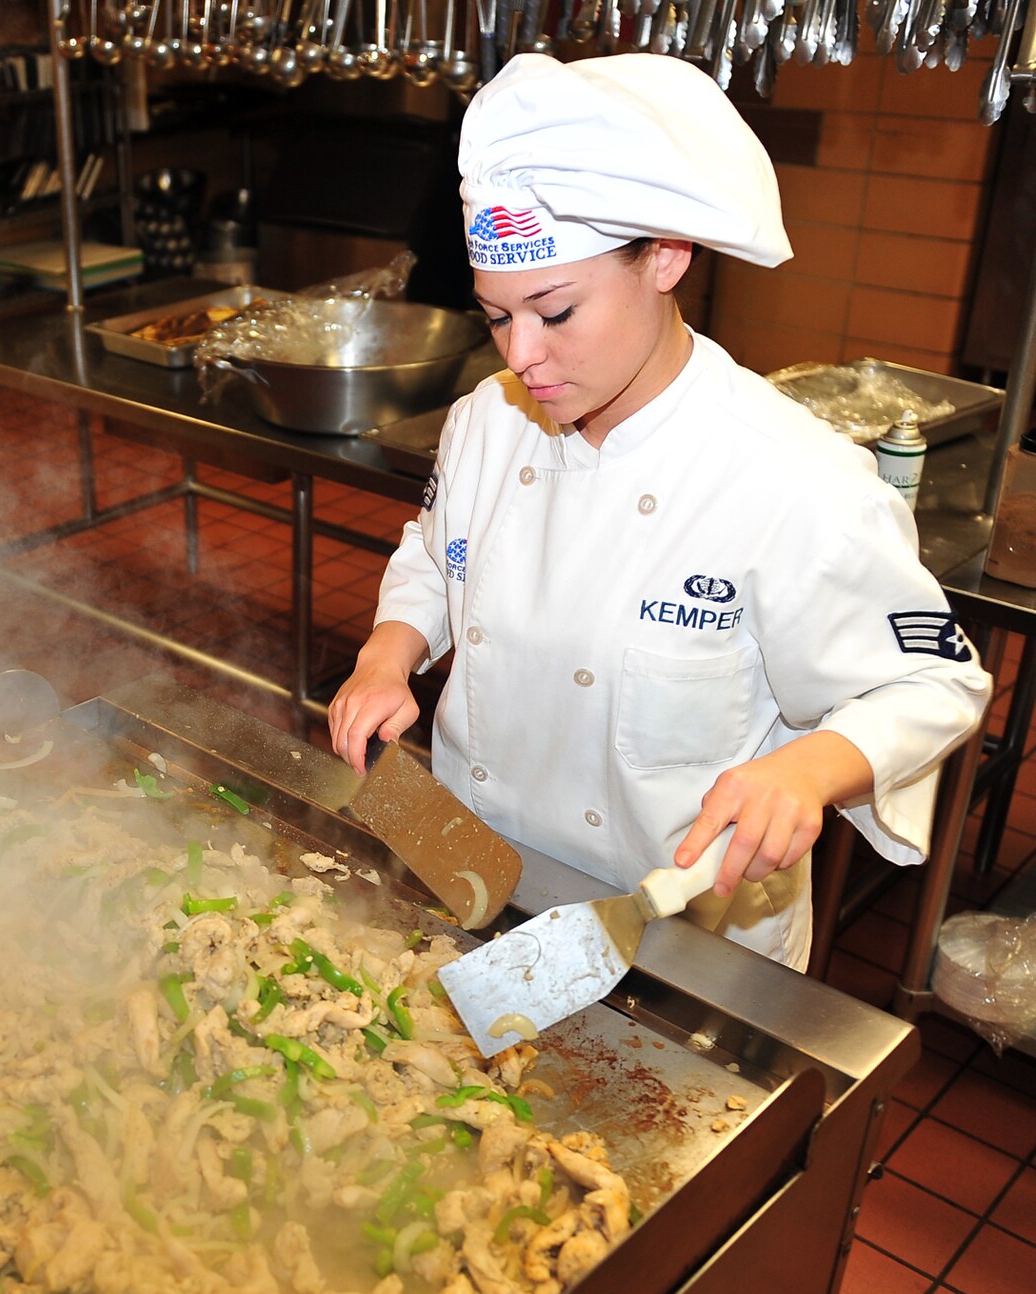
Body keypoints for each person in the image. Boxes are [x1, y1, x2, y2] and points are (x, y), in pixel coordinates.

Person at [326, 52, 992, 970]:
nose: (522, 356)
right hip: (470, 873)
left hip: (678, 931)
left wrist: (810, 766)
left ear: (666, 258)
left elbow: (935, 682)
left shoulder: (795, 480)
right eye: (496, 316)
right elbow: (438, 557)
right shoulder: (486, 423)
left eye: (555, 313)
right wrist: (387, 654)